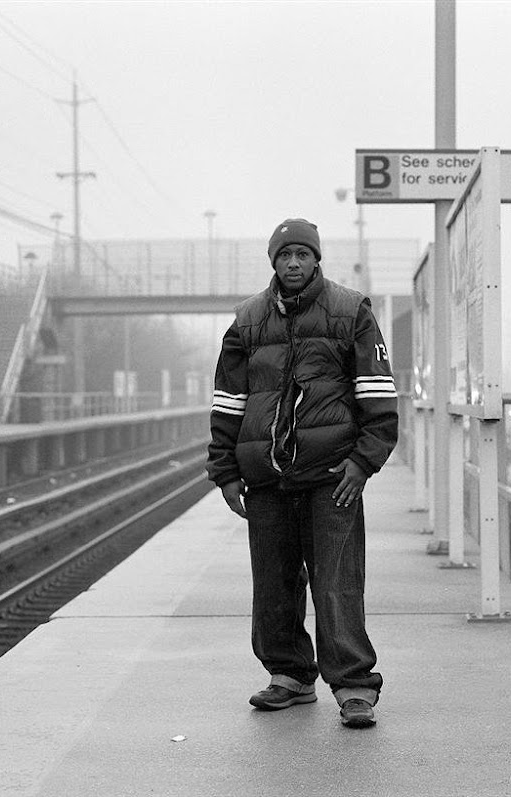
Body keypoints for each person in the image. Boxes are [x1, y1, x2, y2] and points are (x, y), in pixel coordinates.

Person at [206, 218, 398, 728]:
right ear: (273, 260)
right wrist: (225, 470)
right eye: (285, 255)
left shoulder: (350, 311)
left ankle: (354, 686)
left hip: (333, 475)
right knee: (273, 584)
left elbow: (378, 395)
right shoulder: (247, 321)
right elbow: (229, 401)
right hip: (266, 477)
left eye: (302, 254)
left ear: (316, 259)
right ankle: (289, 675)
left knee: (337, 585)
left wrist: (363, 462)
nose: (293, 263)